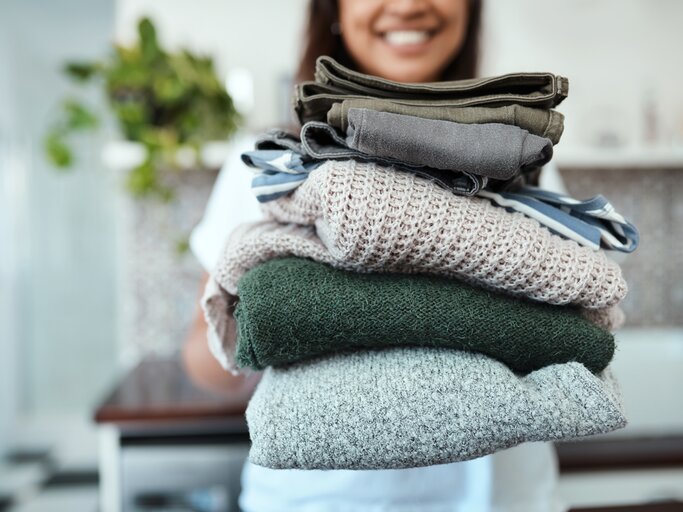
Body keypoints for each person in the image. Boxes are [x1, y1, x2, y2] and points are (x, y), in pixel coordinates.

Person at [183, 1, 565, 510]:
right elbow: (203, 356)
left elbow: (573, 328)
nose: (408, 5)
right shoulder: (275, 165)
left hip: (505, 499)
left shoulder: (518, 158)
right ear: (332, 9)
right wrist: (267, 325)